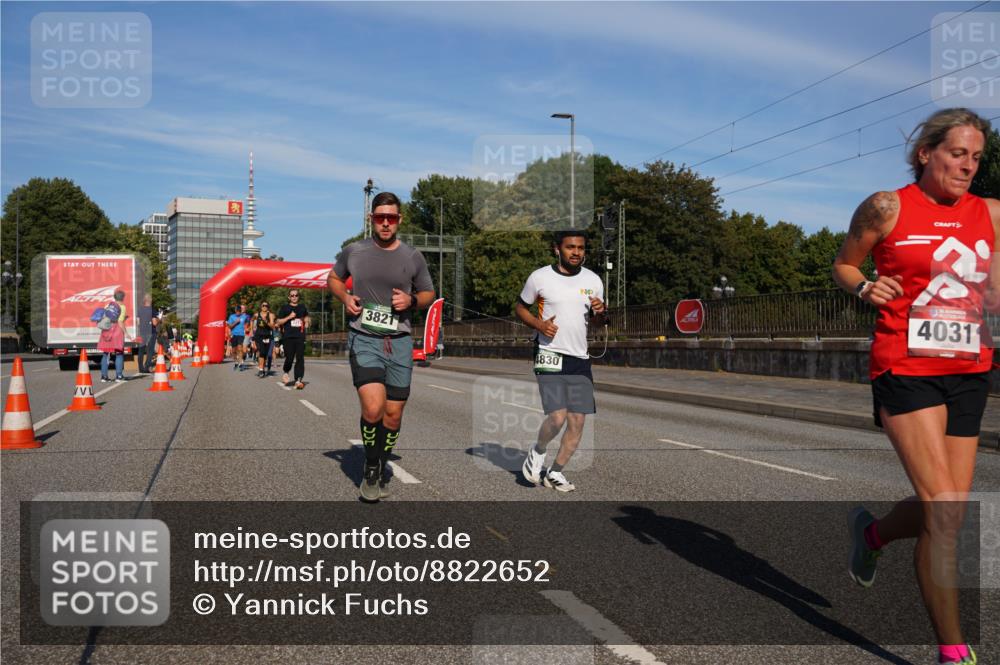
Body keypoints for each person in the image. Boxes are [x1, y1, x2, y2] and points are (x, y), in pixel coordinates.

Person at [832, 108, 998, 665]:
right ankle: (954, 652)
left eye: (976, 158)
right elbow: (845, 265)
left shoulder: (993, 214)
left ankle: (873, 535)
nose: (968, 166)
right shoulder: (887, 206)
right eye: (958, 154)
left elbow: (994, 292)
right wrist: (864, 288)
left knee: (947, 509)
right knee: (946, 511)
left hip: (970, 370)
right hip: (905, 366)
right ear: (926, 153)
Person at [329, 191, 435, 502]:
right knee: (373, 407)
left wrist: (412, 300)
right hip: (364, 337)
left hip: (399, 341)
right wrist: (346, 297)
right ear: (371, 220)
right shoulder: (354, 252)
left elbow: (428, 292)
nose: (385, 223)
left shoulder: (413, 256)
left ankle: (379, 457)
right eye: (380, 218)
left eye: (391, 218)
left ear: (399, 220)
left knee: (392, 415)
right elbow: (333, 279)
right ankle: (372, 466)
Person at [516, 229, 606, 492]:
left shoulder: (594, 280)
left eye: (580, 248)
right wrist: (538, 324)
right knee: (557, 417)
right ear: (558, 249)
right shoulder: (540, 277)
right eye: (570, 247)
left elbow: (598, 323)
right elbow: (520, 307)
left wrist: (601, 312)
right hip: (549, 352)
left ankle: (555, 473)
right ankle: (538, 451)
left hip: (579, 356)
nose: (576, 252)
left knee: (578, 421)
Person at [276, 290, 310, 388]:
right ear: (289, 297)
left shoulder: (302, 307)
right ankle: (286, 371)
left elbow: (306, 316)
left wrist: (307, 321)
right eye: (292, 295)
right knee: (289, 358)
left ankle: (298, 380)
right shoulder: (285, 308)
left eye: (296, 295)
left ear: (298, 297)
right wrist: (289, 317)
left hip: (300, 336)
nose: (294, 297)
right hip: (288, 337)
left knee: (300, 358)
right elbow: (278, 322)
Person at [97, 289, 131, 383]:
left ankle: (104, 376)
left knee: (105, 354)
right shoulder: (122, 307)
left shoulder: (108, 305)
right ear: (123, 298)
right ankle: (119, 376)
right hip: (116, 331)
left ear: (114, 297)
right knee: (119, 353)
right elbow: (120, 322)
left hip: (106, 330)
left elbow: (105, 317)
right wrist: (126, 332)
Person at [252, 301, 275, 378]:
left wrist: (266, 322)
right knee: (261, 352)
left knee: (265, 354)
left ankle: (263, 369)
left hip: (267, 336)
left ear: (268, 307)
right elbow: (251, 320)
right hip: (258, 336)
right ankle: (261, 370)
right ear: (261, 306)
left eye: (266, 305)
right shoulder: (256, 314)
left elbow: (272, 326)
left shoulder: (271, 315)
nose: (265, 307)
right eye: (263, 305)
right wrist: (252, 329)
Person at [227, 304, 249, 371]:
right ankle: (236, 362)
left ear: (241, 311)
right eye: (237, 311)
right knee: (233, 351)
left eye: (239, 311)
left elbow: (248, 321)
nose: (238, 312)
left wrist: (247, 328)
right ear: (235, 310)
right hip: (234, 335)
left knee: (240, 348)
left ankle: (241, 363)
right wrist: (236, 322)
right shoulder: (231, 317)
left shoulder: (244, 316)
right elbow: (230, 326)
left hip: (241, 334)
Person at [136, 293, 153, 374]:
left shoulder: (140, 309)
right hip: (150, 332)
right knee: (150, 350)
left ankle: (140, 368)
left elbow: (138, 322)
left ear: (144, 300)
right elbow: (154, 322)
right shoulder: (152, 310)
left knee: (141, 350)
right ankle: (146, 367)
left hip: (142, 331)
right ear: (150, 300)